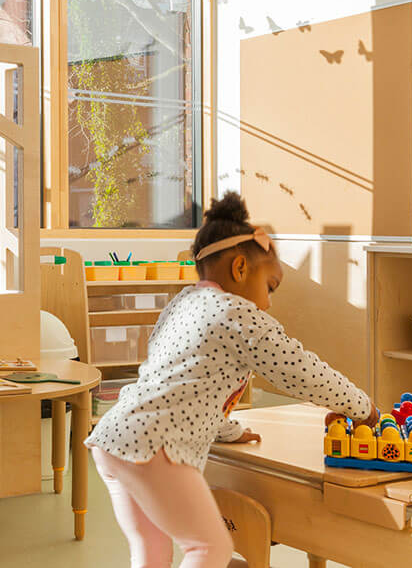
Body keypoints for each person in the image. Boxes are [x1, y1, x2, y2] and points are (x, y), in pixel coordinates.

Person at [85, 191, 378, 568]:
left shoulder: (183, 303)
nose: (269, 303)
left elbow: (183, 383)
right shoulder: (238, 315)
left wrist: (226, 430)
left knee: (152, 553)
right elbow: (303, 371)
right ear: (240, 269)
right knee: (210, 549)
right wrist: (361, 406)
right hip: (155, 446)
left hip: (113, 438)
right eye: (270, 287)